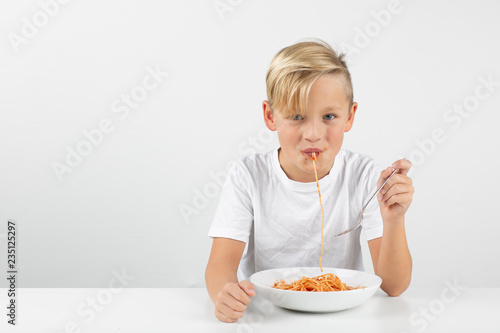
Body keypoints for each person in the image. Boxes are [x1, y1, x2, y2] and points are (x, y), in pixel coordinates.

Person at [205, 39, 414, 323]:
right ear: (270, 116)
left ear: (349, 117)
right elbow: (220, 264)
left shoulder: (364, 175)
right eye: (297, 116)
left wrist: (393, 220)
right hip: (269, 316)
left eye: (329, 116)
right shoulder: (249, 175)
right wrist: (224, 294)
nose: (313, 133)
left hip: (345, 319)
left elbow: (394, 285)